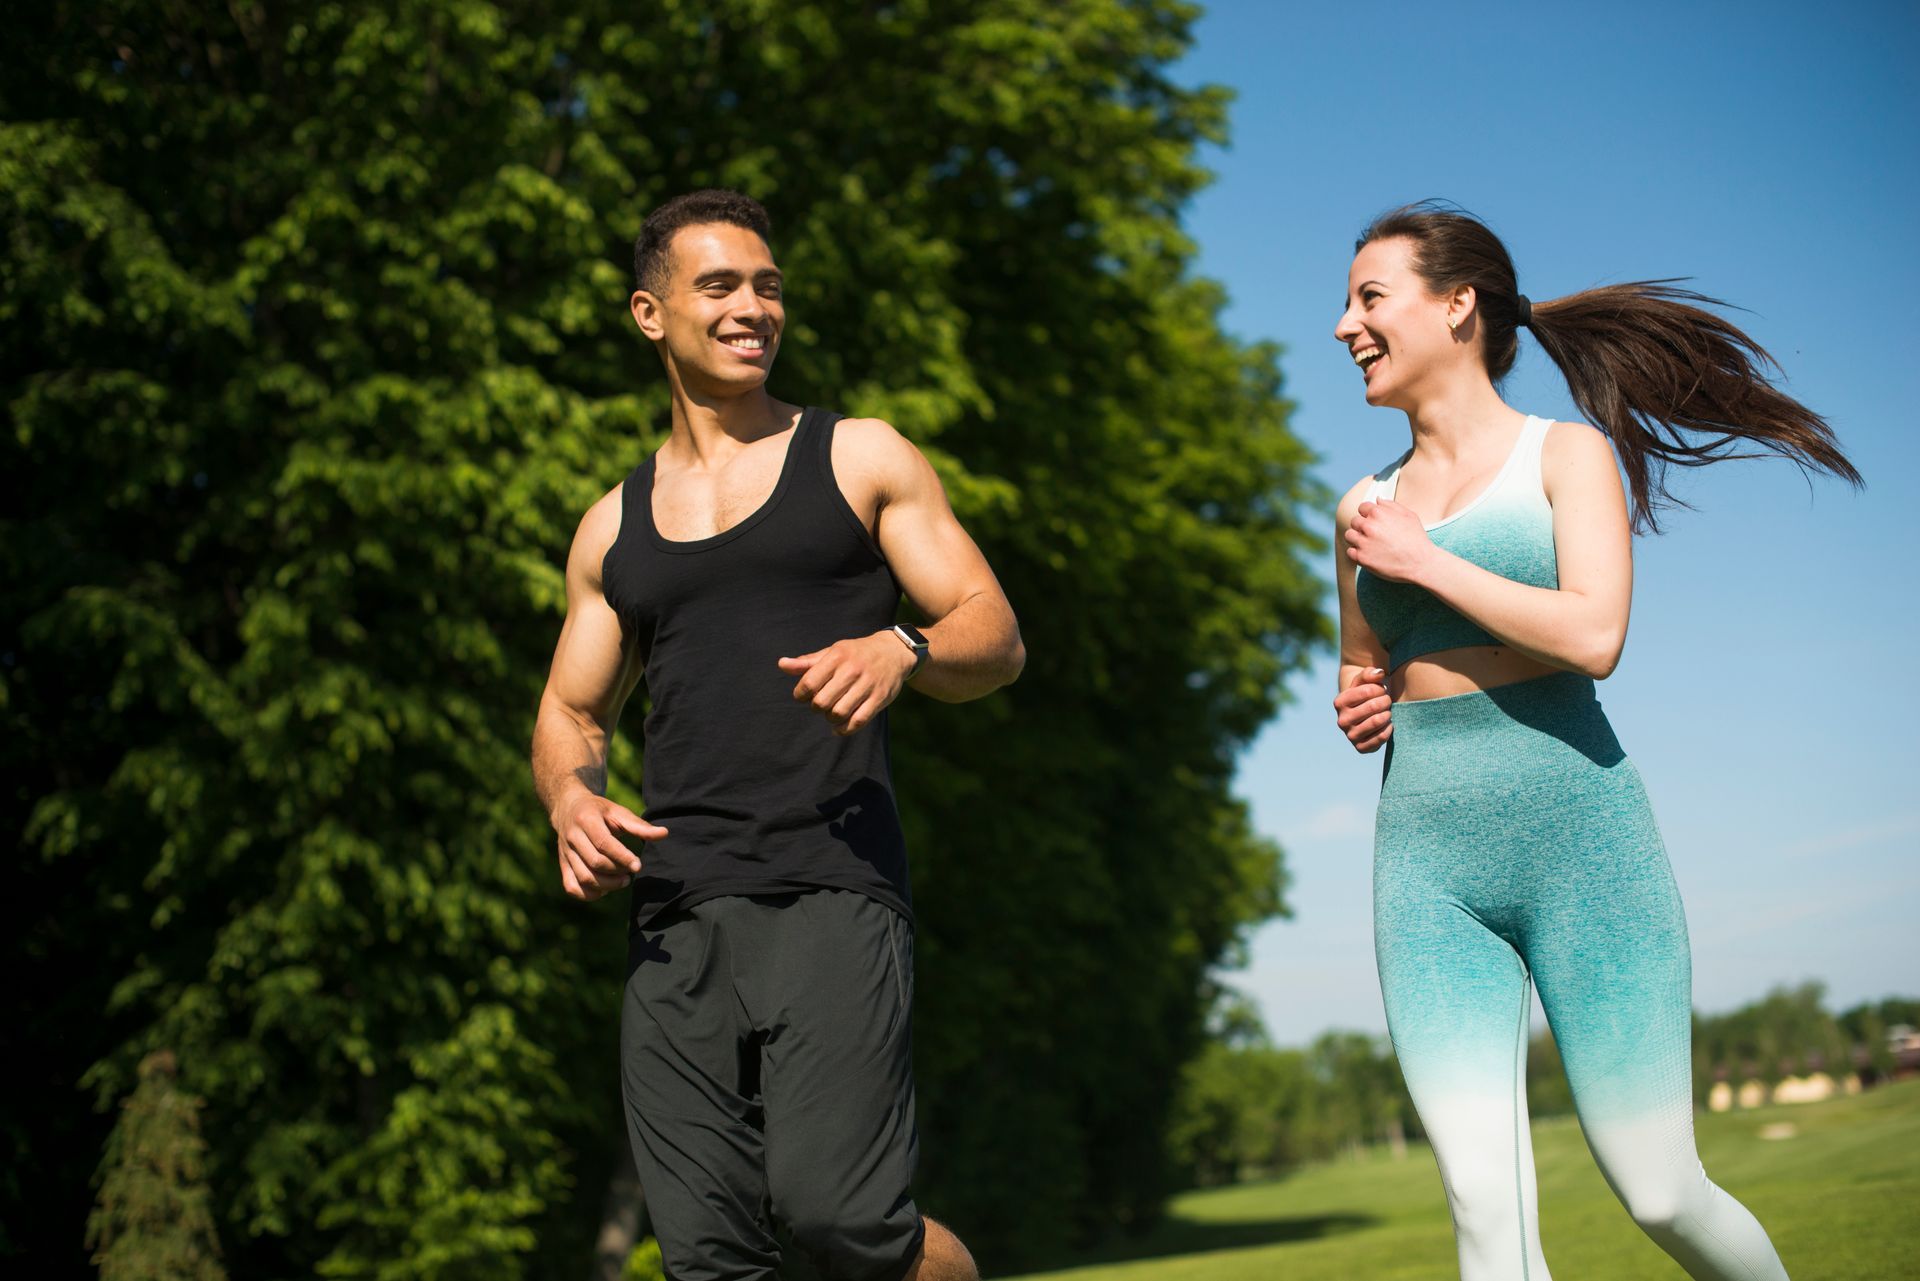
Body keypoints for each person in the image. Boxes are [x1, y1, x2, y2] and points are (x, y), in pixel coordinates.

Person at [1328, 201, 1857, 1281]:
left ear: (1457, 304)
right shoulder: (1361, 508)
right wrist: (1359, 700)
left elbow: (1594, 634)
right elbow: (1359, 663)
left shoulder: (1564, 456)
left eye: (1369, 297)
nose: (1345, 326)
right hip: (1427, 870)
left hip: (1582, 847)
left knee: (1661, 1192)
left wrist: (1429, 563)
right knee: (1485, 1212)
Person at [531, 189, 1024, 1281]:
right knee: (705, 1253)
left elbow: (993, 633)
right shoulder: (613, 526)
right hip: (676, 905)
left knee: (838, 1214)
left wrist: (904, 648)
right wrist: (571, 796)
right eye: (720, 285)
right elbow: (572, 711)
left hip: (832, 883)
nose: (754, 306)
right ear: (650, 314)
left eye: (768, 286)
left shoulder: (858, 457)